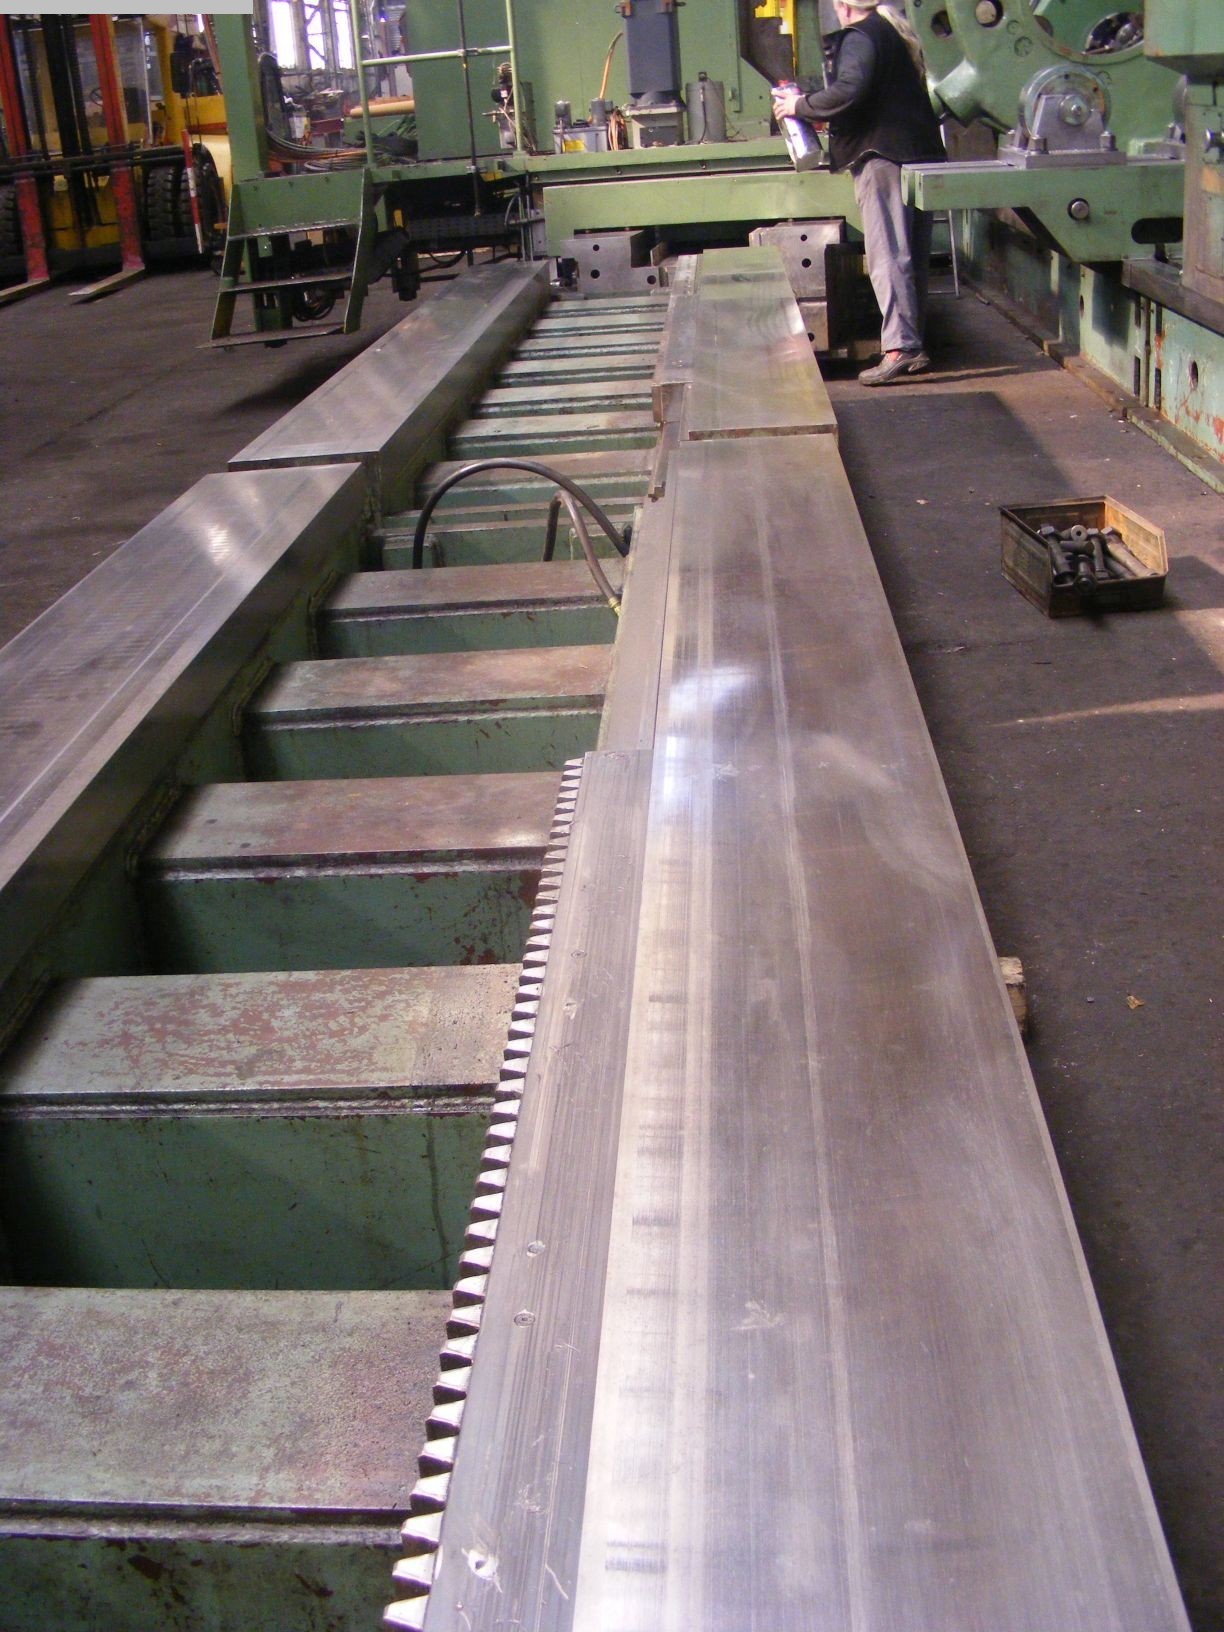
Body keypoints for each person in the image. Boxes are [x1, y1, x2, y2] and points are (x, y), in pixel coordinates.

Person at [773, 0, 945, 386]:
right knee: (910, 255)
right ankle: (911, 343)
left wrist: (800, 105)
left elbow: (849, 90)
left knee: (887, 253)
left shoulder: (861, 36)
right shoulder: (892, 32)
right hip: (916, 153)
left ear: (842, 5)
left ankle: (900, 348)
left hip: (882, 157)